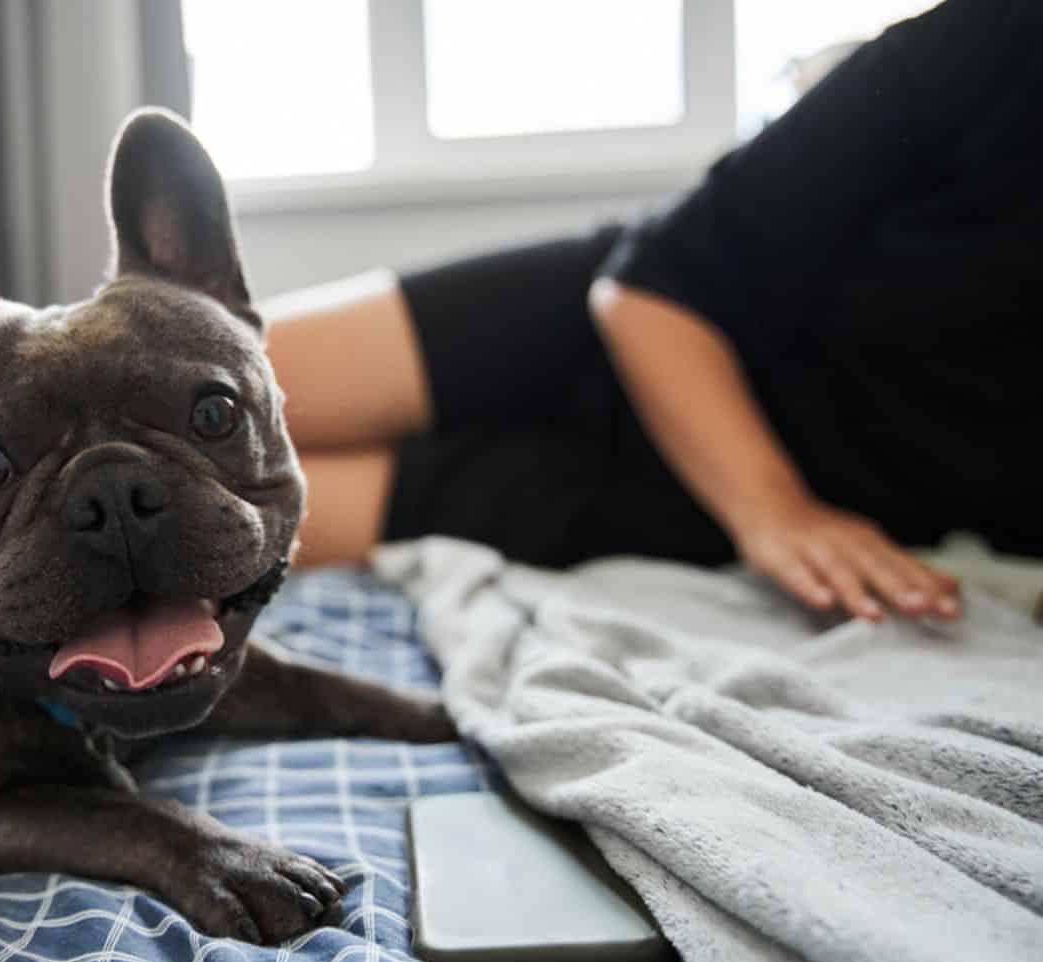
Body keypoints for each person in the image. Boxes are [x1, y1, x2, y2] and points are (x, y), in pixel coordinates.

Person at [263, 0, 1041, 623]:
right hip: (626, 322)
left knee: (201, 513)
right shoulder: (997, 41)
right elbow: (657, 282)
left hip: (674, 500)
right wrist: (776, 508)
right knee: (173, 386)